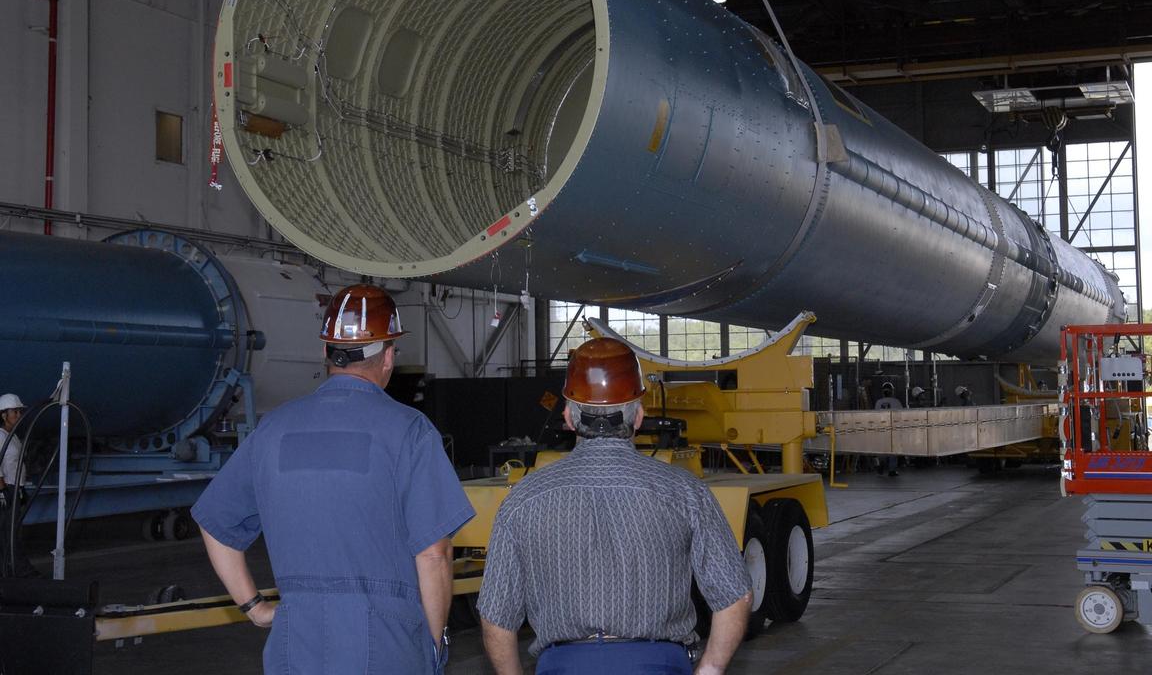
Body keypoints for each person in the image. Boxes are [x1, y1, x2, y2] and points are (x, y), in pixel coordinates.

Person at [192, 284, 474, 674]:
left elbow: (216, 524)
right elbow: (433, 554)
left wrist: (254, 608)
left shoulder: (272, 430)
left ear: (326, 352)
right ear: (389, 356)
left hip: (296, 646)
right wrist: (432, 641)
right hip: (387, 646)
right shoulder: (408, 431)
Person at [478, 337, 751, 675]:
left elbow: (496, 617)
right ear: (638, 415)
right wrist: (710, 669)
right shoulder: (685, 493)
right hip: (658, 664)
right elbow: (735, 596)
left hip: (564, 665)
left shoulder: (522, 500)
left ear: (567, 415)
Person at [0, 393, 36, 578]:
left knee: (12, 531)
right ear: (4, 414)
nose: (19, 415)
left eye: (20, 412)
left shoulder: (12, 436)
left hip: (15, 488)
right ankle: (19, 570)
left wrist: (21, 489)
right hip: (7, 489)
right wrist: (3, 490)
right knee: (9, 533)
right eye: (16, 411)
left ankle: (12, 569)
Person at [874, 383, 903, 477]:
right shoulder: (896, 402)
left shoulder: (878, 402)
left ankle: (881, 464)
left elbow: (875, 416)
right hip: (893, 428)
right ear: (892, 391)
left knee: (882, 449)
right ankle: (892, 469)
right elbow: (901, 415)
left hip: (882, 428)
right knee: (893, 450)